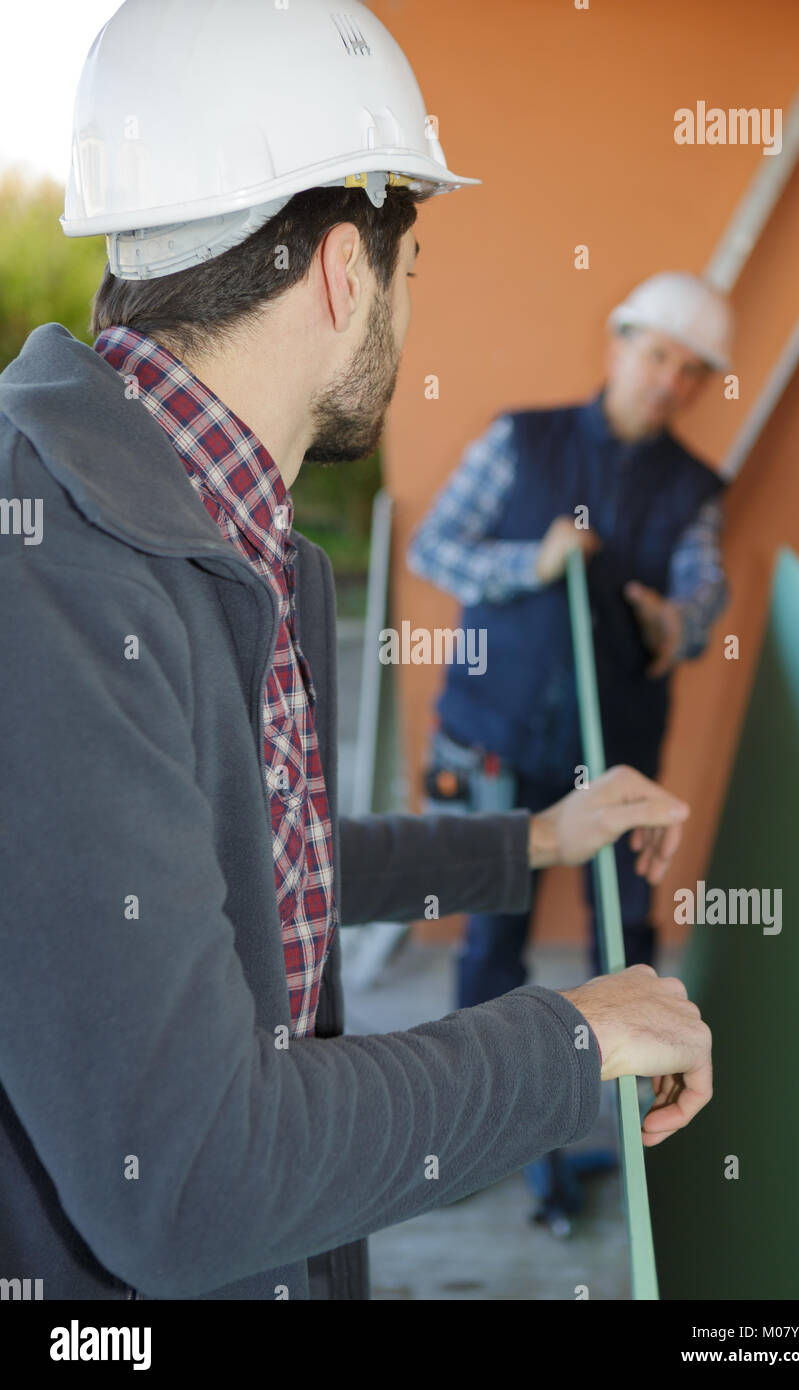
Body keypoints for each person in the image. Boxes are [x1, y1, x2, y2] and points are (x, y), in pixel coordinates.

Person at [0, 0, 711, 1301]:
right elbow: (197, 1174)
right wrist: (571, 1036)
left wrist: (528, 844)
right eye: (409, 268)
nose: (405, 304)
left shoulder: (243, 539)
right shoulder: (47, 568)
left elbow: (246, 872)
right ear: (343, 270)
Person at [408, 270, 732, 1231]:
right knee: (489, 938)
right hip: (495, 741)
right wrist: (532, 561)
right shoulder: (521, 437)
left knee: (624, 945)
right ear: (618, 343)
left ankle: (636, 1139)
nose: (668, 381)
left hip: (618, 763)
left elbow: (704, 596)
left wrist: (676, 622)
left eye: (691, 371)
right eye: (656, 354)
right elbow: (434, 547)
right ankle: (464, 1139)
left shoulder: (696, 489)